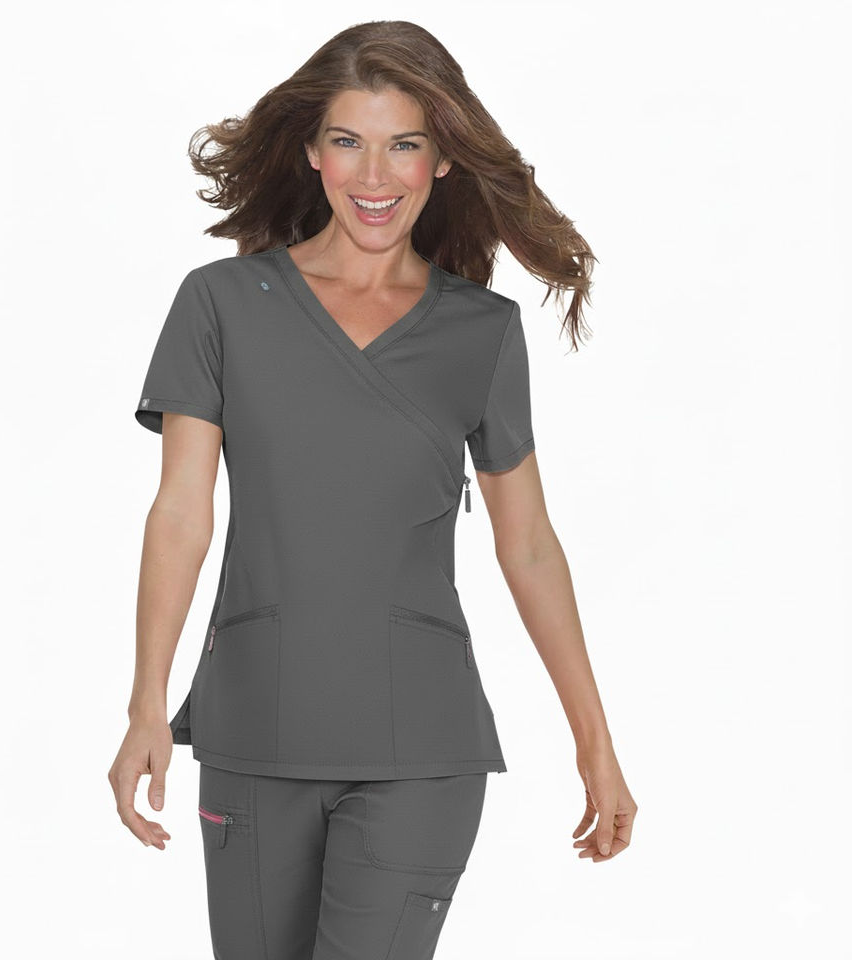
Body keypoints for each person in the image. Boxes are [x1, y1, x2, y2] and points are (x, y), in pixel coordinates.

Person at [108, 19, 637, 960]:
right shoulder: (219, 305)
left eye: (405, 145)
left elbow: (527, 545)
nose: (375, 175)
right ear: (312, 152)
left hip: (421, 746)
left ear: (443, 160)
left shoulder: (482, 331)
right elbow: (182, 512)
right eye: (349, 141)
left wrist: (593, 739)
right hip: (254, 728)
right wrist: (146, 701)